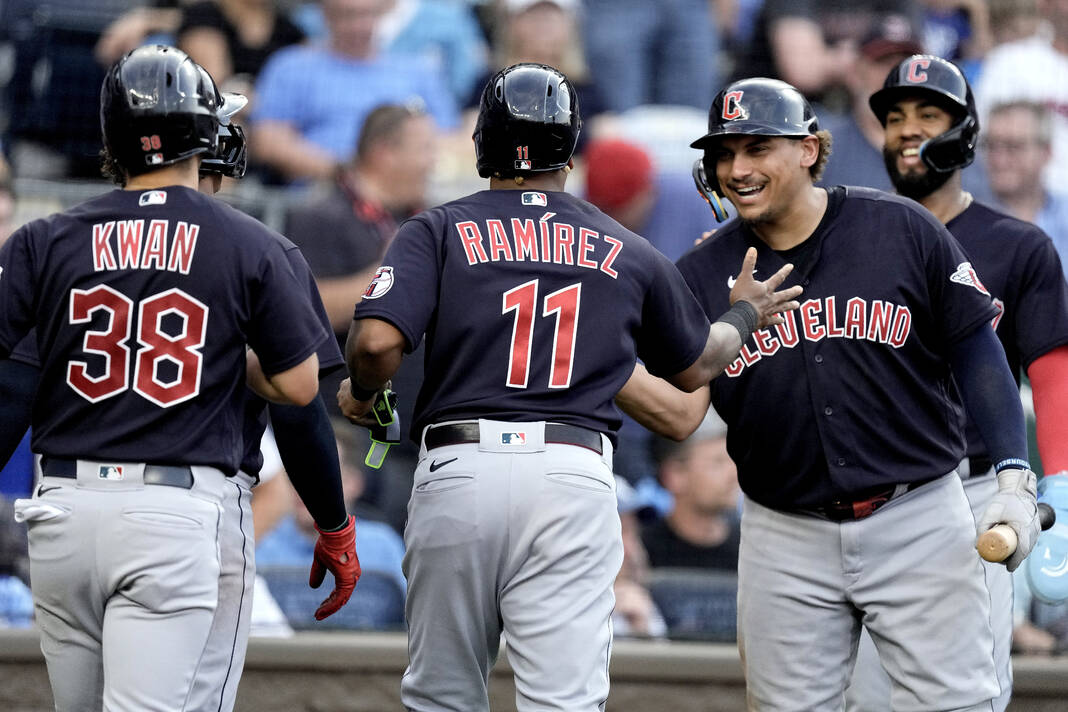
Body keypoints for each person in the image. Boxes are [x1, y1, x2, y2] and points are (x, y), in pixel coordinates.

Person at [337, 62, 802, 712]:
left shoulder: (437, 228)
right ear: (570, 147)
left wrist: (361, 394)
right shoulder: (625, 244)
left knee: (443, 697)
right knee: (564, 703)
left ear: (483, 144)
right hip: (571, 471)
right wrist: (744, 314)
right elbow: (695, 371)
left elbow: (378, 342)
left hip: (461, 466)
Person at [616, 76, 1041, 711]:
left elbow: (976, 347)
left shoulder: (899, 227)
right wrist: (601, 361)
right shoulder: (702, 273)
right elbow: (681, 413)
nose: (737, 168)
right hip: (783, 531)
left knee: (956, 704)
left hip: (917, 514)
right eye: (725, 153)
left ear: (810, 149)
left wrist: (1012, 471)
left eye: (758, 148)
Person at [0, 45, 352, 711]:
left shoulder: (44, 239)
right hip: (175, 509)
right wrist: (223, 355)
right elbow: (303, 390)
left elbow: (10, 385)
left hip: (62, 509)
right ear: (202, 133)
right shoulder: (253, 243)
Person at [839, 53, 1068, 712]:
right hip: (863, 494)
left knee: (967, 697)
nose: (908, 130)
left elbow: (1053, 372)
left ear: (964, 130)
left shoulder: (1017, 245)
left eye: (928, 114)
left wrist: (1058, 484)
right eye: (896, 118)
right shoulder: (845, 235)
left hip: (968, 491)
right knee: (859, 700)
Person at [249, 0, 458, 183]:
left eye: (367, 14)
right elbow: (268, 141)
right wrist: (347, 173)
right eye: (348, 15)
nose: (359, 25)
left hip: (405, 191)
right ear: (326, 15)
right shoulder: (292, 67)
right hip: (322, 191)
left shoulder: (417, 70)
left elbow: (448, 138)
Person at [641, 411, 741, 571]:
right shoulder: (641, 551)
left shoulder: (749, 549)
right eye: (718, 463)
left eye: (734, 460)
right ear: (675, 475)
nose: (734, 475)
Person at [984, 100, 1068, 272]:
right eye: (991, 146)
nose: (999, 160)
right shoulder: (966, 220)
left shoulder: (1064, 214)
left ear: (1046, 152)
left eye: (1014, 147)